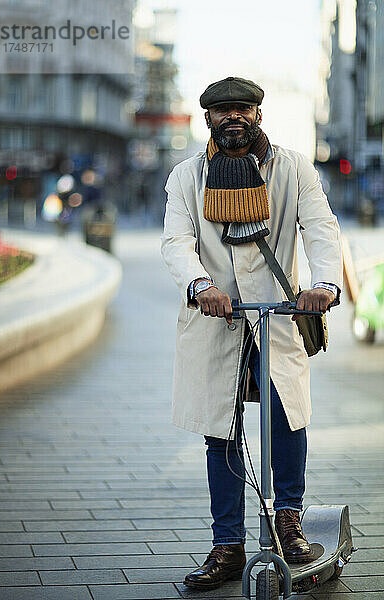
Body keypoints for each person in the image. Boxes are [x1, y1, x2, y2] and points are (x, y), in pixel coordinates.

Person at [161, 76, 342, 591]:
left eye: (243, 109)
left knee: (287, 419)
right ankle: (227, 546)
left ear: (258, 114)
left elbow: (321, 225)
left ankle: (289, 524)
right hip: (214, 318)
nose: (233, 118)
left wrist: (324, 284)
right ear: (209, 120)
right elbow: (176, 240)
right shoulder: (186, 176)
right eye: (224, 112)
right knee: (220, 429)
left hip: (278, 316)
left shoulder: (292, 168)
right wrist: (200, 285)